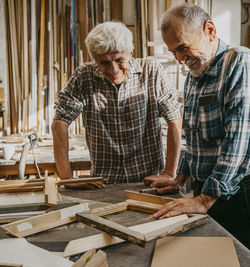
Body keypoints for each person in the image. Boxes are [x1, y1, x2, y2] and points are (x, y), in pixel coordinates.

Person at [143, 3, 250, 265]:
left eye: (182, 48)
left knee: (248, 261)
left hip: (240, 193)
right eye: (173, 52)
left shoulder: (239, 62)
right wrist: (180, 177)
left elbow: (238, 141)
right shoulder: (194, 75)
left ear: (210, 30)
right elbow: (194, 136)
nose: (179, 59)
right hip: (207, 189)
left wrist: (204, 199)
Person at [52, 21, 182, 189]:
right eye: (104, 63)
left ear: (130, 53)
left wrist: (169, 173)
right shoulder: (84, 77)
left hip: (149, 180)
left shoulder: (152, 71)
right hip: (104, 184)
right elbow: (59, 123)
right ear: (95, 59)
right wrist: (68, 177)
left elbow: (175, 119)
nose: (113, 70)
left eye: (119, 60)